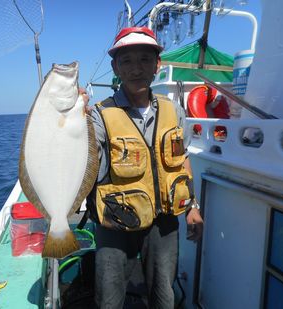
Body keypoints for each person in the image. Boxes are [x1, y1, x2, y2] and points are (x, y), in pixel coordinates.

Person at [87, 26, 204, 309]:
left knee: (164, 293)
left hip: (163, 220)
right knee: (109, 296)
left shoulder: (173, 109)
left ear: (157, 65)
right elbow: (87, 164)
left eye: (144, 59)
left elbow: (181, 159)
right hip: (115, 219)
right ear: (115, 67)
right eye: (126, 61)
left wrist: (192, 207)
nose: (136, 68)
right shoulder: (98, 113)